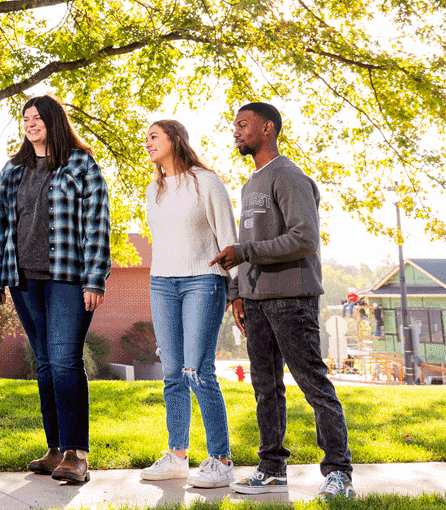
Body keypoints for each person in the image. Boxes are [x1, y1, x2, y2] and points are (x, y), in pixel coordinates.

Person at [211, 102, 355, 500]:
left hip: (292, 299)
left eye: (243, 125)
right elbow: (246, 246)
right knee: (265, 388)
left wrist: (244, 253)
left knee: (314, 385)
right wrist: (238, 293)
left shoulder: (289, 176)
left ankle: (339, 473)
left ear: (267, 128)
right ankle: (272, 468)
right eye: (235, 125)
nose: (236, 132)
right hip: (257, 300)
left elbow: (304, 237)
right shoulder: (249, 183)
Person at [0, 95, 111, 484]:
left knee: (64, 359)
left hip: (68, 278)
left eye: (37, 117)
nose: (30, 123)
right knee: (44, 364)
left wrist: (95, 278)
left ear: (53, 121)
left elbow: (97, 223)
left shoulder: (80, 163)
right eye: (25, 118)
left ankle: (77, 454)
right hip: (24, 279)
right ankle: (55, 448)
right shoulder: (14, 168)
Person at [138, 120, 237, 488]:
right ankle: (177, 455)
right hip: (161, 283)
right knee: (172, 373)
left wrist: (236, 290)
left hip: (203, 280)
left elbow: (228, 238)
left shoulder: (207, 182)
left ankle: (221, 459)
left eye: (153, 136)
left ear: (175, 140)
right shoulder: (154, 190)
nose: (147, 143)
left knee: (198, 370)